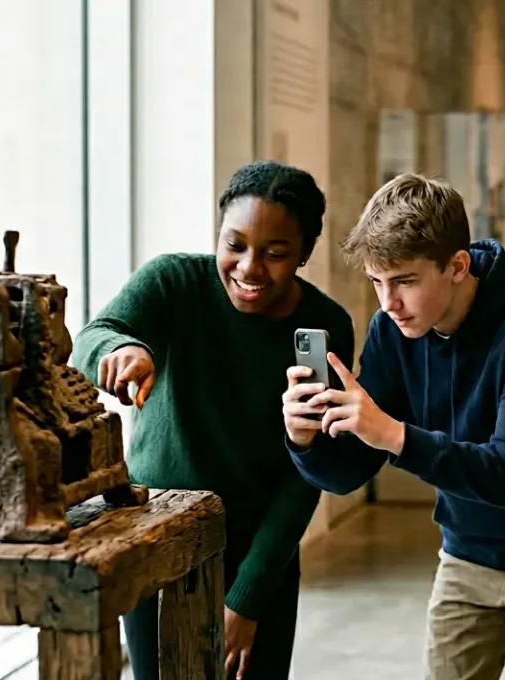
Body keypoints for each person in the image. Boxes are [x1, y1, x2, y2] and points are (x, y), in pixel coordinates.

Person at [281, 173, 505, 680]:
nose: (388, 302)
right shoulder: (392, 331)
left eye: (405, 281)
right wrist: (305, 438)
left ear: (458, 266)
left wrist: (393, 433)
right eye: (377, 282)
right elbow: (349, 473)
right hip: (468, 555)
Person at [75, 160, 352, 680]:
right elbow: (95, 334)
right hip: (153, 539)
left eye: (275, 253)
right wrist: (122, 348)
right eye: (235, 244)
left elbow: (305, 477)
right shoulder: (173, 280)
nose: (249, 268)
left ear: (305, 254)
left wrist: (247, 601)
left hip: (257, 554)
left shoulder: (324, 325)